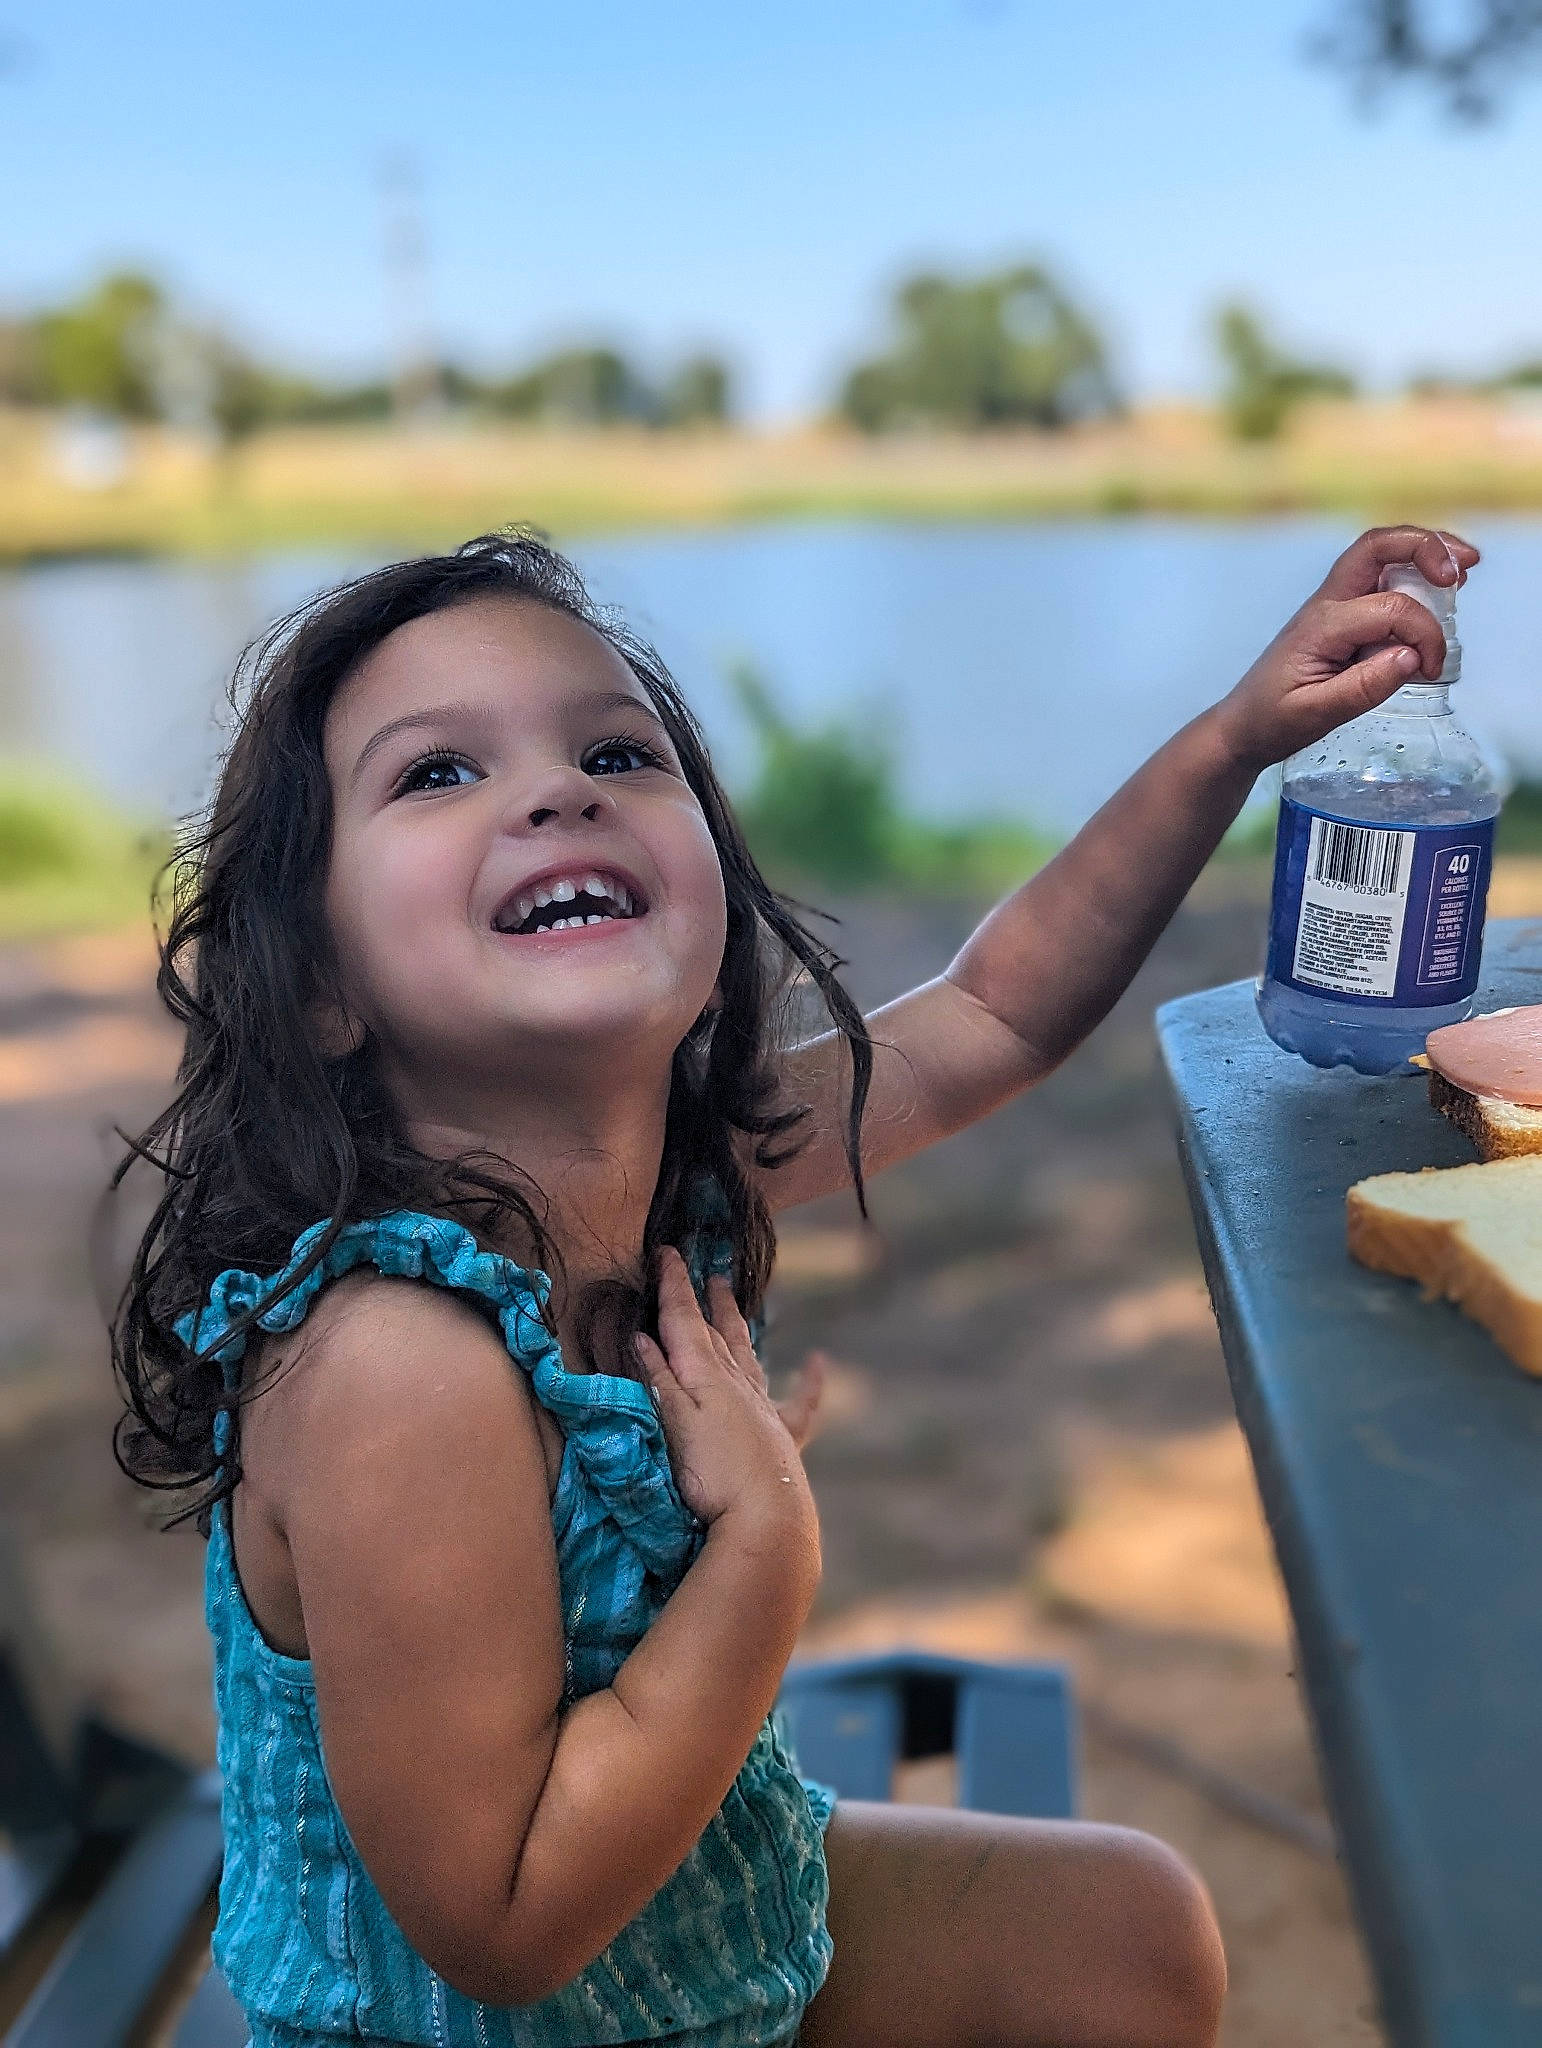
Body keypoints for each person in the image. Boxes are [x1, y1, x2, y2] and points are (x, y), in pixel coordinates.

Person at [111, 523, 1473, 2048]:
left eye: (619, 753)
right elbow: (503, 1924)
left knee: (1125, 1936)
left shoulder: (670, 1174)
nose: (556, 789)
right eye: (437, 773)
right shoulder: (396, 1370)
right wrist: (762, 1542)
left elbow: (993, 1009)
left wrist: (1233, 739)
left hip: (689, 1920)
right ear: (318, 983)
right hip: (499, 2016)